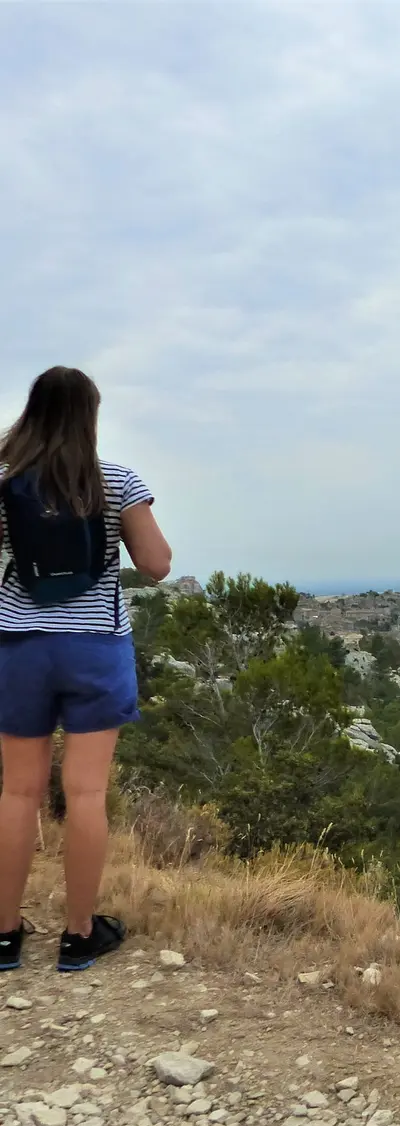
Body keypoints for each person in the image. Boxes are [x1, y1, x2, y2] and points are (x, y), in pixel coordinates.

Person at [0, 367, 172, 972]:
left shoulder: (4, 479)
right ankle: (78, 936)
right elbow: (156, 565)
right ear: (89, 416)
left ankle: (4, 936)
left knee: (18, 791)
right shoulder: (116, 481)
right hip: (95, 645)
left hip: (18, 645)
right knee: (87, 792)